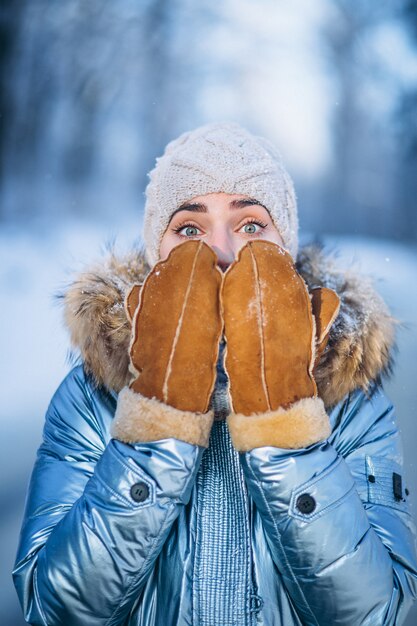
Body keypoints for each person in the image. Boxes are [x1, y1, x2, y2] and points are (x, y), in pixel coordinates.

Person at [13, 122, 417, 626]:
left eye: (250, 226)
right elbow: (50, 608)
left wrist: (286, 424)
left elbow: (384, 614)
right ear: (157, 247)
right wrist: (156, 420)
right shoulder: (90, 396)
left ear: (284, 247)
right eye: (189, 229)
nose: (222, 252)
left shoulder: (352, 401)